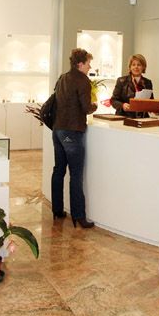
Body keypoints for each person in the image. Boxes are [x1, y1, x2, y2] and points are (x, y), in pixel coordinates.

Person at [51, 48, 98, 228]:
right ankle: (78, 215)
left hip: (57, 129)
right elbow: (86, 107)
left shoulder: (63, 77)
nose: (89, 67)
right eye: (88, 63)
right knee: (76, 175)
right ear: (80, 64)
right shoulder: (83, 81)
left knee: (58, 170)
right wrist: (94, 105)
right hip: (72, 131)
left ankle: (57, 209)